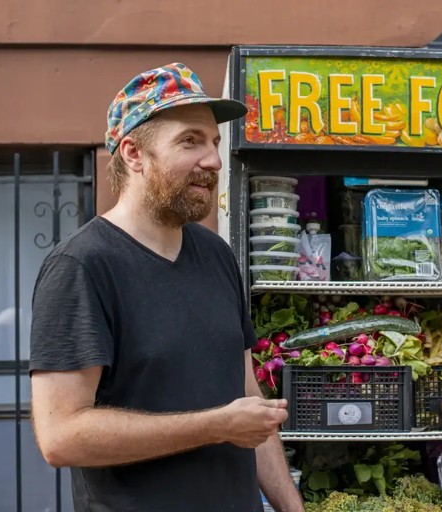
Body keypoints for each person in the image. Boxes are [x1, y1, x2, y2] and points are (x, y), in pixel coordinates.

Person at [29, 62, 305, 512]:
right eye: (190, 141)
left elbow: (247, 397)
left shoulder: (216, 255)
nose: (214, 160)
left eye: (214, 142)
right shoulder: (82, 266)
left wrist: (292, 509)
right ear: (134, 153)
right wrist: (216, 426)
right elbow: (61, 437)